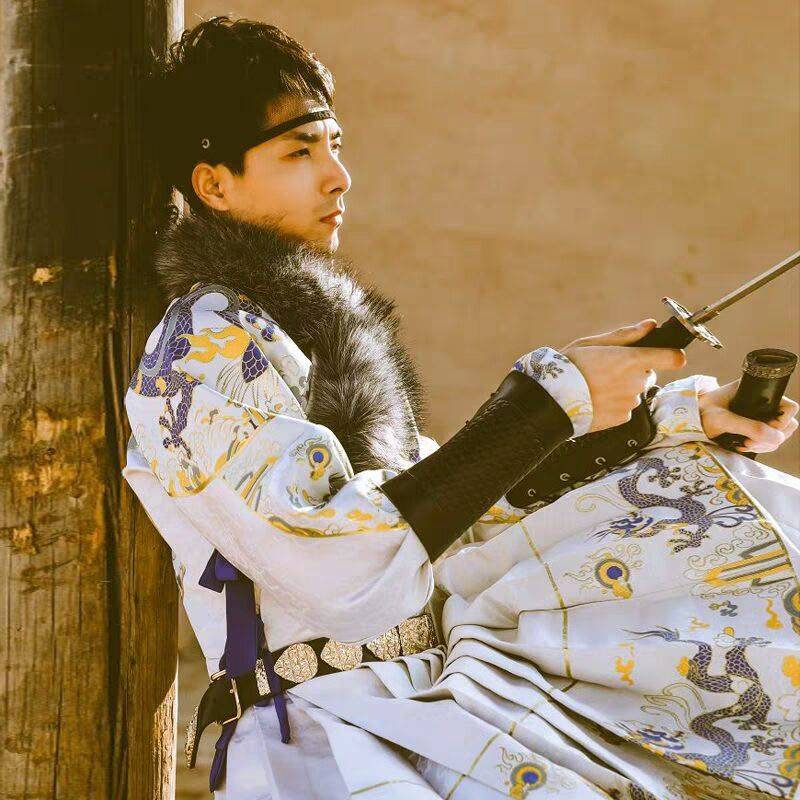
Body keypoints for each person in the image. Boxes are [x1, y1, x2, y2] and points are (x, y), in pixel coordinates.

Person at [122, 16, 800, 799]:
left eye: (336, 145)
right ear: (213, 184)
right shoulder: (199, 351)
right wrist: (547, 403)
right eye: (300, 152)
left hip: (436, 708)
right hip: (319, 743)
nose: (338, 176)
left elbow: (455, 517)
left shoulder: (313, 336)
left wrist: (649, 419)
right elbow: (339, 565)